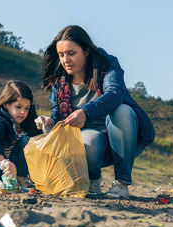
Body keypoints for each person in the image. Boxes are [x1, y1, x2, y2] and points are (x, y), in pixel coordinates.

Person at [36, 25, 155, 198]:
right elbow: (59, 119)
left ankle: (121, 184)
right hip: (93, 145)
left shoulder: (107, 65)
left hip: (124, 139)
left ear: (85, 50)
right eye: (61, 55)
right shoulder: (59, 82)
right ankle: (92, 180)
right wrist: (49, 123)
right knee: (87, 138)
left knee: (121, 111)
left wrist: (85, 112)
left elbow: (115, 94)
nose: (65, 60)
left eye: (71, 53)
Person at [0, 80, 40, 186]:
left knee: (27, 139)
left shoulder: (29, 122)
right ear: (7, 105)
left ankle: (21, 180)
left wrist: (45, 126)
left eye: (26, 108)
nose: (22, 112)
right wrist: (3, 161)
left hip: (15, 173)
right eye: (18, 107)